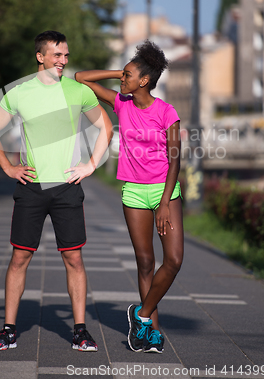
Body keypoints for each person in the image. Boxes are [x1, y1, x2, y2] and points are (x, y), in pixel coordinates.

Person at [0, 30, 113, 352]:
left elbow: (105, 127)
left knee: (74, 260)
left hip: (68, 187)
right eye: (57, 55)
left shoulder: (78, 90)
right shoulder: (19, 93)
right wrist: (8, 167)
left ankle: (80, 330)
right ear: (40, 56)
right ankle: (9, 329)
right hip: (31, 187)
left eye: (66, 55)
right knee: (19, 258)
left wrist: (91, 165)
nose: (63, 61)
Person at [75, 40, 183, 354]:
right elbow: (82, 77)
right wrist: (120, 72)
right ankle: (150, 332)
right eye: (123, 75)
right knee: (146, 262)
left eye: (128, 75)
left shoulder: (166, 111)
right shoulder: (122, 103)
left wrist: (164, 202)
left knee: (173, 261)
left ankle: (141, 314)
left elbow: (175, 159)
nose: (122, 80)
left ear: (145, 81)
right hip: (134, 191)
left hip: (165, 192)